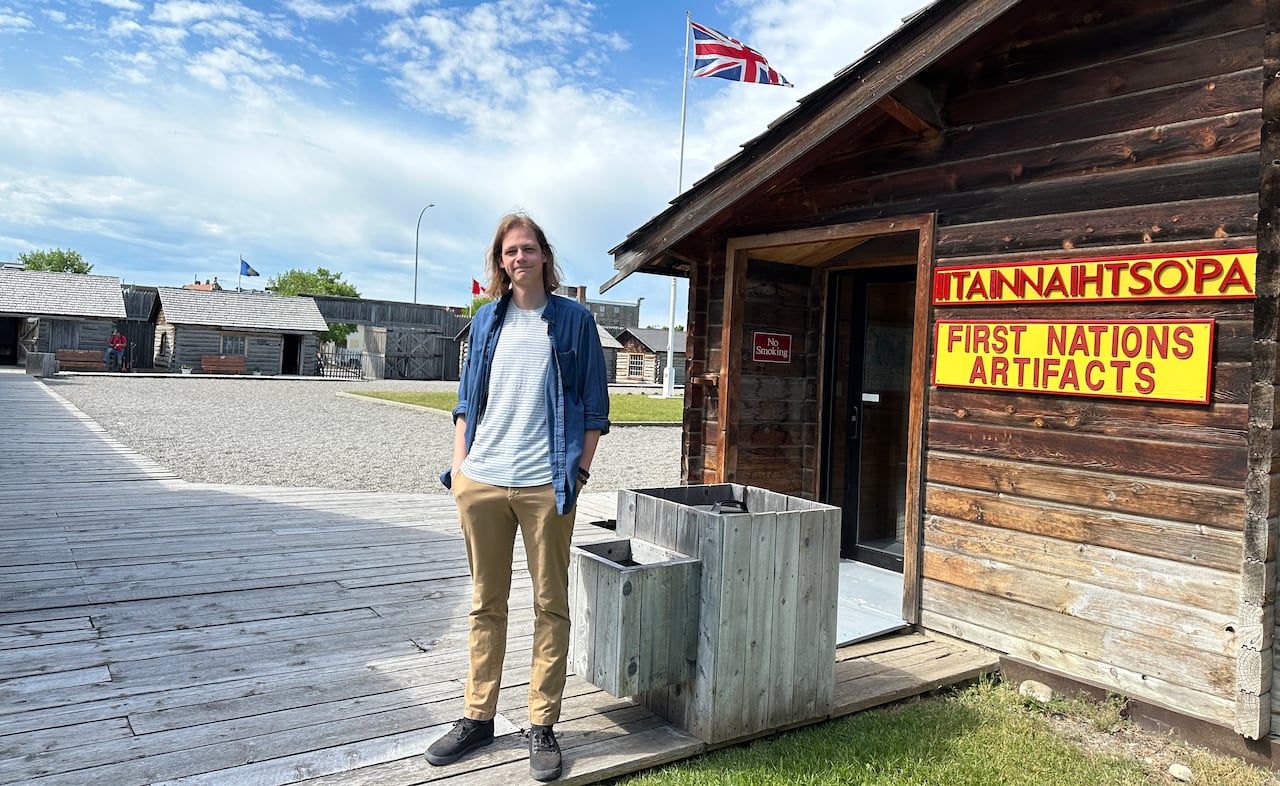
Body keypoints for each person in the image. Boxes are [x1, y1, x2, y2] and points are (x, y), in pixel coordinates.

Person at [426, 212, 610, 782]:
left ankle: (542, 723)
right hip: (482, 482)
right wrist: (461, 471)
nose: (518, 259)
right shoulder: (485, 322)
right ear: (499, 261)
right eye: (509, 251)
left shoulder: (575, 321)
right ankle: (477, 716)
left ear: (544, 257)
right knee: (486, 603)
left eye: (528, 249)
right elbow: (466, 401)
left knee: (549, 605)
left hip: (545, 485)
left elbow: (595, 409)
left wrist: (577, 475)